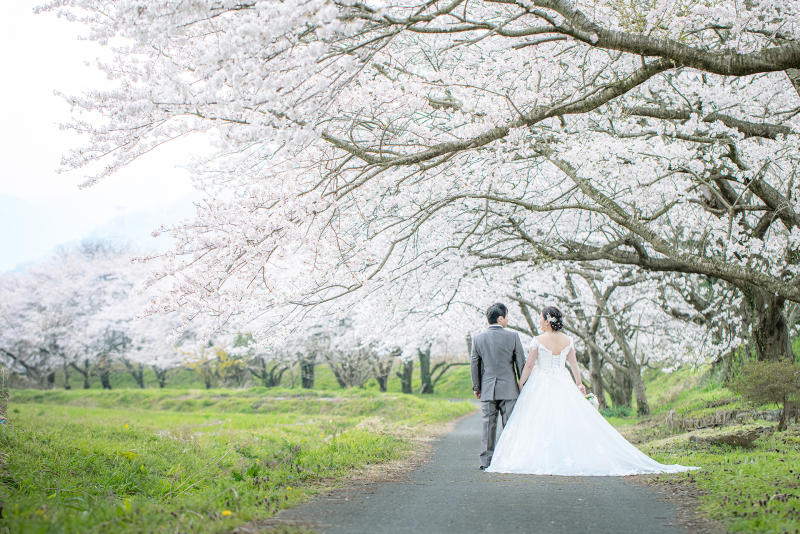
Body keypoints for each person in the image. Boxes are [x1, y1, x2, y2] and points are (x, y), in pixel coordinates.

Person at [486, 305, 698, 476]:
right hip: (562, 380)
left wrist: (522, 383)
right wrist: (579, 384)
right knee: (564, 418)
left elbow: (530, 365)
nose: (539, 322)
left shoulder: (538, 340)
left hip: (541, 383)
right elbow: (574, 364)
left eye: (541, 318)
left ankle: (543, 456)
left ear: (548, 321)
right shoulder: (568, 340)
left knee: (539, 419)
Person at [470, 302, 525, 470]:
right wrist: (523, 385)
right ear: (501, 318)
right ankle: (510, 460)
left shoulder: (478, 338)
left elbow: (474, 364)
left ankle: (486, 461)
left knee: (488, 425)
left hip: (487, 388)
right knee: (510, 425)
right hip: (509, 389)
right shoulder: (513, 337)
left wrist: (477, 386)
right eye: (507, 316)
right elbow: (520, 363)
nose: (508, 319)